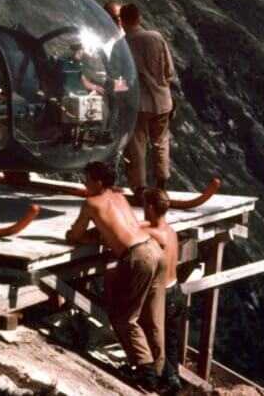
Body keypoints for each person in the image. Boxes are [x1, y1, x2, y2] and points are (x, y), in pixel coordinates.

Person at [66, 161, 166, 392]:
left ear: (98, 182)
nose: (85, 184)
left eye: (87, 180)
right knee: (152, 317)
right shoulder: (120, 197)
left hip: (137, 256)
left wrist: (75, 235)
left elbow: (76, 234)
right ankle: (160, 374)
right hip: (154, 248)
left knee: (124, 318)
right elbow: (114, 230)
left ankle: (146, 374)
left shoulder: (91, 203)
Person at [120, 3, 176, 195]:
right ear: (139, 18)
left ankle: (140, 187)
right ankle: (162, 183)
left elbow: (118, 78)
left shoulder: (122, 44)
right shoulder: (156, 38)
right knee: (160, 142)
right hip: (161, 101)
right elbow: (169, 72)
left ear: (122, 22)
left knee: (136, 146)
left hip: (137, 103)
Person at [143, 189, 184, 395]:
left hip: (164, 296)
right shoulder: (170, 231)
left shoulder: (153, 233)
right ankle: (171, 380)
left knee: (154, 340)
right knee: (170, 342)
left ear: (150, 208)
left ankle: (169, 378)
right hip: (177, 291)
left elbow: (129, 230)